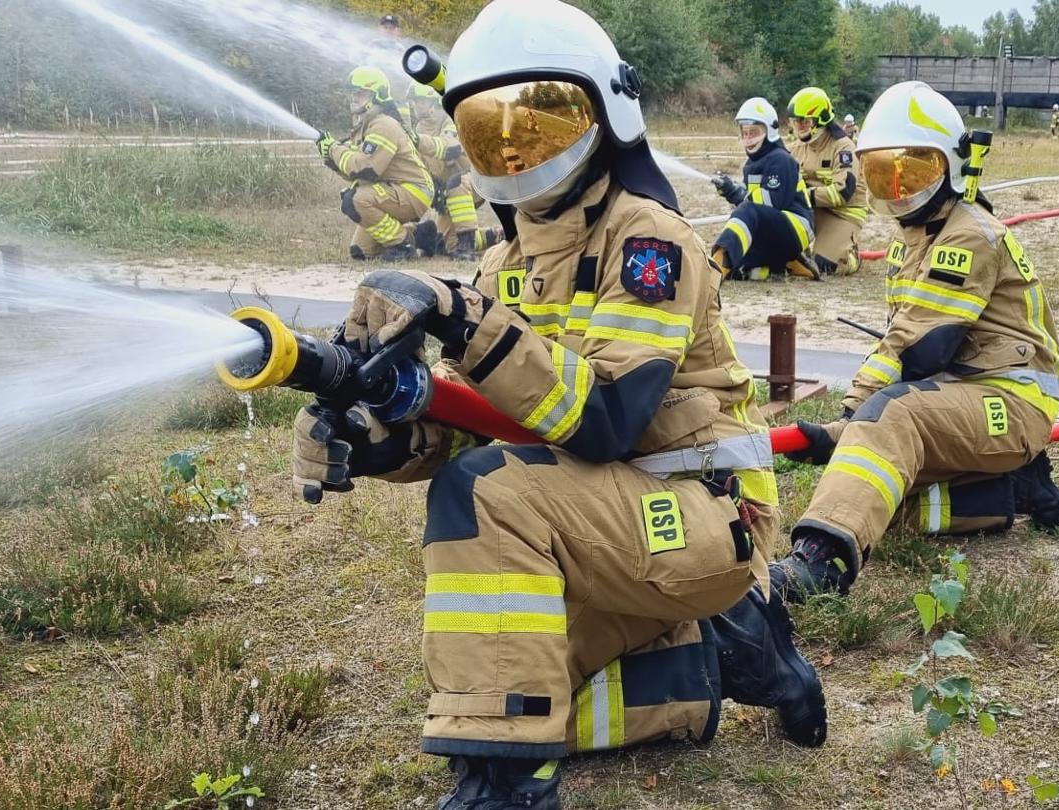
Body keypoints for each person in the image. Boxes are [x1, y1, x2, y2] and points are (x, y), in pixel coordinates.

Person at [299, 2, 827, 806]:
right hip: (598, 525)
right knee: (493, 682)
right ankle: (721, 658)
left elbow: (609, 420)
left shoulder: (647, 239)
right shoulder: (503, 262)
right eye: (488, 130)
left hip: (702, 512)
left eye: (541, 121)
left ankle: (508, 785)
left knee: (485, 508)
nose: (514, 148)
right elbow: (472, 420)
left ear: (607, 110)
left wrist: (460, 321)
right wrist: (373, 433)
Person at [771, 80, 1059, 604]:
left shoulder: (968, 235)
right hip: (963, 393)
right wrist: (851, 433)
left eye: (915, 170)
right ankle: (1015, 491)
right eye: (883, 173)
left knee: (893, 417)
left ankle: (820, 562)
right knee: (880, 499)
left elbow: (917, 349)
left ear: (951, 164)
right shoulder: (913, 239)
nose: (900, 187)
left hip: (1009, 400)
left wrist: (849, 420)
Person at [317, 66, 437, 261]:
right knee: (361, 252)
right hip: (395, 189)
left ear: (378, 96)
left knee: (355, 199)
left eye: (360, 93)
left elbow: (366, 168)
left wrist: (333, 149)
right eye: (352, 94)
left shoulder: (384, 125)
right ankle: (420, 234)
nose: (354, 98)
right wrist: (332, 161)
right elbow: (355, 172)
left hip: (414, 191)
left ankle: (403, 244)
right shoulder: (365, 126)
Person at [710, 97, 816, 281]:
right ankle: (787, 265)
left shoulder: (781, 160)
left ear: (770, 131)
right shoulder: (751, 164)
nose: (749, 138)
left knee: (732, 249)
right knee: (738, 263)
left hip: (796, 227)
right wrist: (730, 192)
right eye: (745, 133)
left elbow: (772, 202)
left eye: (754, 132)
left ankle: (719, 261)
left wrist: (737, 194)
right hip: (771, 231)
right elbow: (755, 206)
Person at [787, 87, 871, 277]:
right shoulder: (796, 148)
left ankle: (850, 255)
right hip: (810, 209)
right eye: (795, 121)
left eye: (804, 122)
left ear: (820, 120)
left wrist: (803, 195)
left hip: (843, 213)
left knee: (824, 266)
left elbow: (843, 192)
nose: (799, 127)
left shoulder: (843, 148)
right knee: (782, 256)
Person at [407, 82, 496, 260]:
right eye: (414, 101)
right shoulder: (419, 128)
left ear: (433, 103)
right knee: (444, 245)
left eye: (421, 101)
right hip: (450, 190)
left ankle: (467, 246)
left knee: (457, 182)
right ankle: (494, 236)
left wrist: (418, 141)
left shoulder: (450, 118)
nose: (416, 105)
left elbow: (451, 147)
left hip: (475, 179)